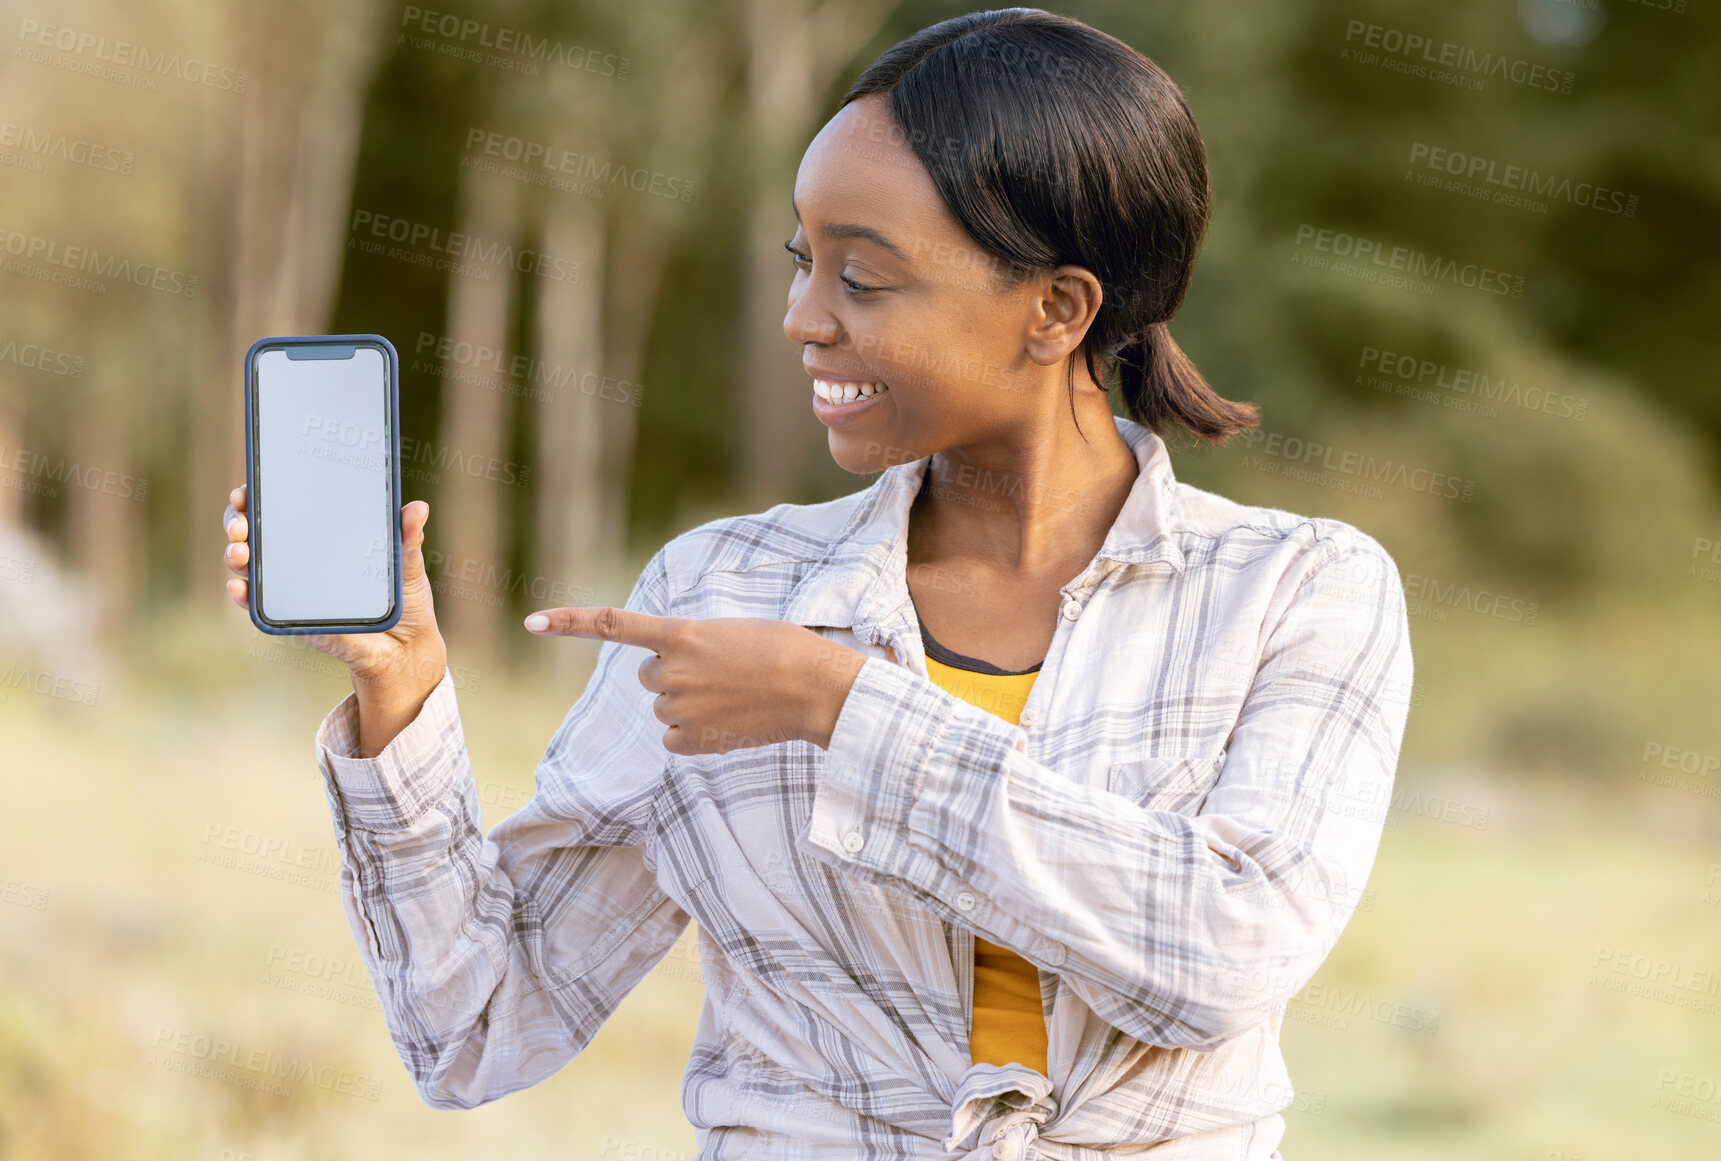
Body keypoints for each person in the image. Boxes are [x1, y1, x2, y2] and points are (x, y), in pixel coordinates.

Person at [221, 9, 1412, 1158]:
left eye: (863, 278)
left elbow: (1224, 955)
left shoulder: (1298, 592)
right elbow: (476, 1027)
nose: (801, 319)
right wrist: (402, 699)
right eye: (803, 263)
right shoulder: (721, 590)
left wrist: (846, 710)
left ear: (1055, 308)